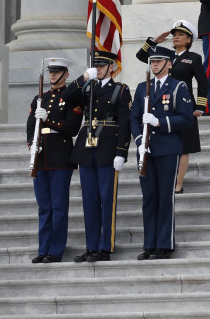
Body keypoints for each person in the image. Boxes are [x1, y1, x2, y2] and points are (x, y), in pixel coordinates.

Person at [62, 50, 131, 263]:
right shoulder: (87, 87)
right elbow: (65, 97)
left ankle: (104, 246)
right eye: (96, 65)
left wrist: (122, 152)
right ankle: (91, 246)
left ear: (111, 67)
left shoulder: (120, 90)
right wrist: (83, 78)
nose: (98, 69)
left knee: (106, 199)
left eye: (102, 66)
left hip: (108, 148)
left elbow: (125, 123)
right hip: (87, 148)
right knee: (89, 201)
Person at [130, 46, 193, 260]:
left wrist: (160, 122)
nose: (154, 64)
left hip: (167, 148)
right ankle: (150, 244)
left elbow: (186, 118)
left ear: (169, 63)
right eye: (152, 61)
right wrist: (139, 140)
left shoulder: (178, 87)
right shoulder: (141, 88)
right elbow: (134, 118)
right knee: (149, 197)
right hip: (146, 150)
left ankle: (164, 244)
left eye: (159, 61)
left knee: (165, 197)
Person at [136, 20, 208, 194]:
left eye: (181, 35)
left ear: (189, 40)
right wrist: (154, 41)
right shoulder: (165, 55)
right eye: (174, 34)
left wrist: (200, 105)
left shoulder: (193, 58)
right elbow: (141, 56)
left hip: (184, 107)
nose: (176, 37)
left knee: (185, 147)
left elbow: (204, 83)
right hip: (164, 108)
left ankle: (178, 183)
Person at [26, 57, 83, 263]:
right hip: (41, 157)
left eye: (57, 71)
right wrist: (32, 145)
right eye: (50, 71)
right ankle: (43, 249)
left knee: (58, 206)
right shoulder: (39, 98)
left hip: (60, 157)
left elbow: (72, 128)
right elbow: (31, 124)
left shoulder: (71, 99)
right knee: (44, 207)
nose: (52, 74)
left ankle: (55, 250)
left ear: (66, 74)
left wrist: (48, 119)